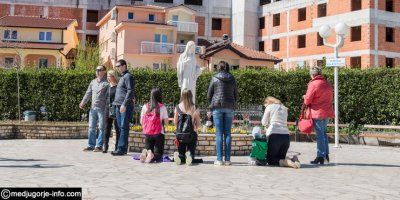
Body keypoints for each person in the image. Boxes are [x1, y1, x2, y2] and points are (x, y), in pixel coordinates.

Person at [207, 61, 239, 166]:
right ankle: (228, 160)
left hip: (217, 107)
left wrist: (211, 103)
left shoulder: (214, 78)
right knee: (228, 133)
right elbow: (236, 95)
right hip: (229, 107)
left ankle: (219, 159)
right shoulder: (232, 78)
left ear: (219, 68)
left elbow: (209, 95)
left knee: (219, 133)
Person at [303, 66, 334, 164]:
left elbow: (308, 100)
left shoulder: (313, 84)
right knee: (323, 133)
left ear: (312, 74)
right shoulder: (327, 83)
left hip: (317, 112)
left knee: (320, 134)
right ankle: (325, 154)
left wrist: (304, 97)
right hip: (327, 111)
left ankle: (320, 156)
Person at [261, 97, 300, 169]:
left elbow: (263, 122)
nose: (265, 106)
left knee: (271, 160)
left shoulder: (269, 107)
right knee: (280, 158)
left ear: (268, 102)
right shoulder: (284, 108)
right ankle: (293, 159)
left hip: (274, 136)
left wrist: (267, 126)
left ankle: (287, 161)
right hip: (286, 137)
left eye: (265, 105)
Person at [80, 65, 109, 152]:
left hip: (102, 108)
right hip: (93, 108)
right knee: (91, 127)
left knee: (101, 127)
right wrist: (83, 102)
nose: (97, 71)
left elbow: (109, 96)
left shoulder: (107, 82)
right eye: (96, 70)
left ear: (104, 71)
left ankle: (99, 146)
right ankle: (91, 145)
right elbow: (88, 93)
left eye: (99, 70)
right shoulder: (93, 82)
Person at [111, 59, 135, 156]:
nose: (117, 68)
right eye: (116, 66)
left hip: (124, 106)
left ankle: (121, 149)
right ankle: (122, 148)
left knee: (124, 127)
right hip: (118, 105)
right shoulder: (122, 77)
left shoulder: (128, 76)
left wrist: (124, 104)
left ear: (124, 66)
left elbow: (130, 91)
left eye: (118, 66)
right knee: (121, 127)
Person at [139, 88, 169, 163]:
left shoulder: (145, 106)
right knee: (158, 154)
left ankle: (146, 153)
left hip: (147, 133)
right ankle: (152, 156)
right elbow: (166, 123)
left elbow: (141, 121)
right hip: (159, 133)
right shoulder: (162, 107)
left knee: (149, 150)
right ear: (159, 96)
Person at [173, 89, 201, 166]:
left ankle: (180, 157)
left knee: (181, 153)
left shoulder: (177, 107)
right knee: (191, 152)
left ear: (182, 96)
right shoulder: (195, 107)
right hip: (191, 134)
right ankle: (189, 156)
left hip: (180, 135)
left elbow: (175, 123)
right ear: (191, 96)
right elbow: (198, 124)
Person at [103, 70, 120, 153]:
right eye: (107, 76)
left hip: (116, 109)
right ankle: (105, 146)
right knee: (106, 127)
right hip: (107, 109)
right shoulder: (107, 86)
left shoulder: (118, 87)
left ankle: (117, 146)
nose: (107, 78)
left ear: (113, 76)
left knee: (117, 128)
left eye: (109, 76)